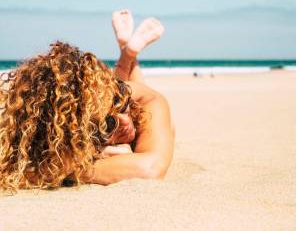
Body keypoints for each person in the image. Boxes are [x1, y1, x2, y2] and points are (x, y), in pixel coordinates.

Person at [0, 10, 174, 191]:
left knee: (140, 110)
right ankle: (128, 50)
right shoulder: (63, 126)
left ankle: (128, 55)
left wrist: (76, 164)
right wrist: (94, 153)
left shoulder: (146, 101)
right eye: (107, 123)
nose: (123, 120)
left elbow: (151, 168)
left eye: (117, 104)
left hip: (134, 98)